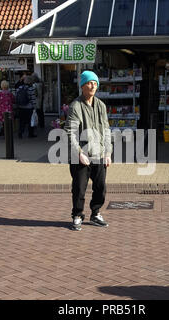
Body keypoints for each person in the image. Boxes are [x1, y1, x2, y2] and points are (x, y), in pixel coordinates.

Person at [64, 70, 112, 231]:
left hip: (99, 154)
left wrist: (108, 153)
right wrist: (78, 152)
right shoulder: (76, 106)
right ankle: (77, 215)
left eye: (95, 83)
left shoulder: (101, 106)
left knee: (100, 187)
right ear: (82, 86)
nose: (92, 86)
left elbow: (106, 130)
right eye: (89, 83)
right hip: (81, 155)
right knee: (79, 188)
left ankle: (95, 213)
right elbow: (70, 131)